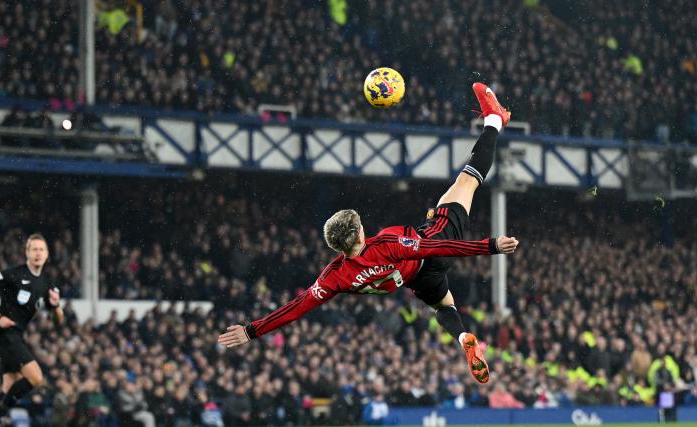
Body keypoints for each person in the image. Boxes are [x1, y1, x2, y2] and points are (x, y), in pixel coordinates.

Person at [219, 83, 516, 384]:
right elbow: (435, 248)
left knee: (444, 305)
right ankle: (494, 119)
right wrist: (490, 246)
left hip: (417, 280)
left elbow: (295, 308)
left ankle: (463, 335)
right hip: (433, 247)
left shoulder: (335, 276)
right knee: (468, 180)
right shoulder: (386, 243)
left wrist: (251, 330)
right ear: (361, 233)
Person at [0, 234, 64, 427]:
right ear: (27, 253)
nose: (38, 253)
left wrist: (56, 307)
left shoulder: (47, 284)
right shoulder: (13, 274)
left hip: (16, 336)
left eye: (42, 249)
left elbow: (59, 323)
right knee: (36, 378)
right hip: (4, 334)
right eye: (34, 249)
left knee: (9, 388)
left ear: (47, 254)